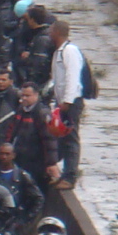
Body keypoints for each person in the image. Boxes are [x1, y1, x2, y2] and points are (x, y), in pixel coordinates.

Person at [47, 20, 87, 187]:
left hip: (70, 102)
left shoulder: (70, 51)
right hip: (61, 102)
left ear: (57, 32)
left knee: (70, 138)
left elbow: (72, 77)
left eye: (51, 30)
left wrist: (67, 101)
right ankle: (64, 174)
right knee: (62, 138)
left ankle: (70, 177)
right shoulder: (59, 52)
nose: (49, 33)